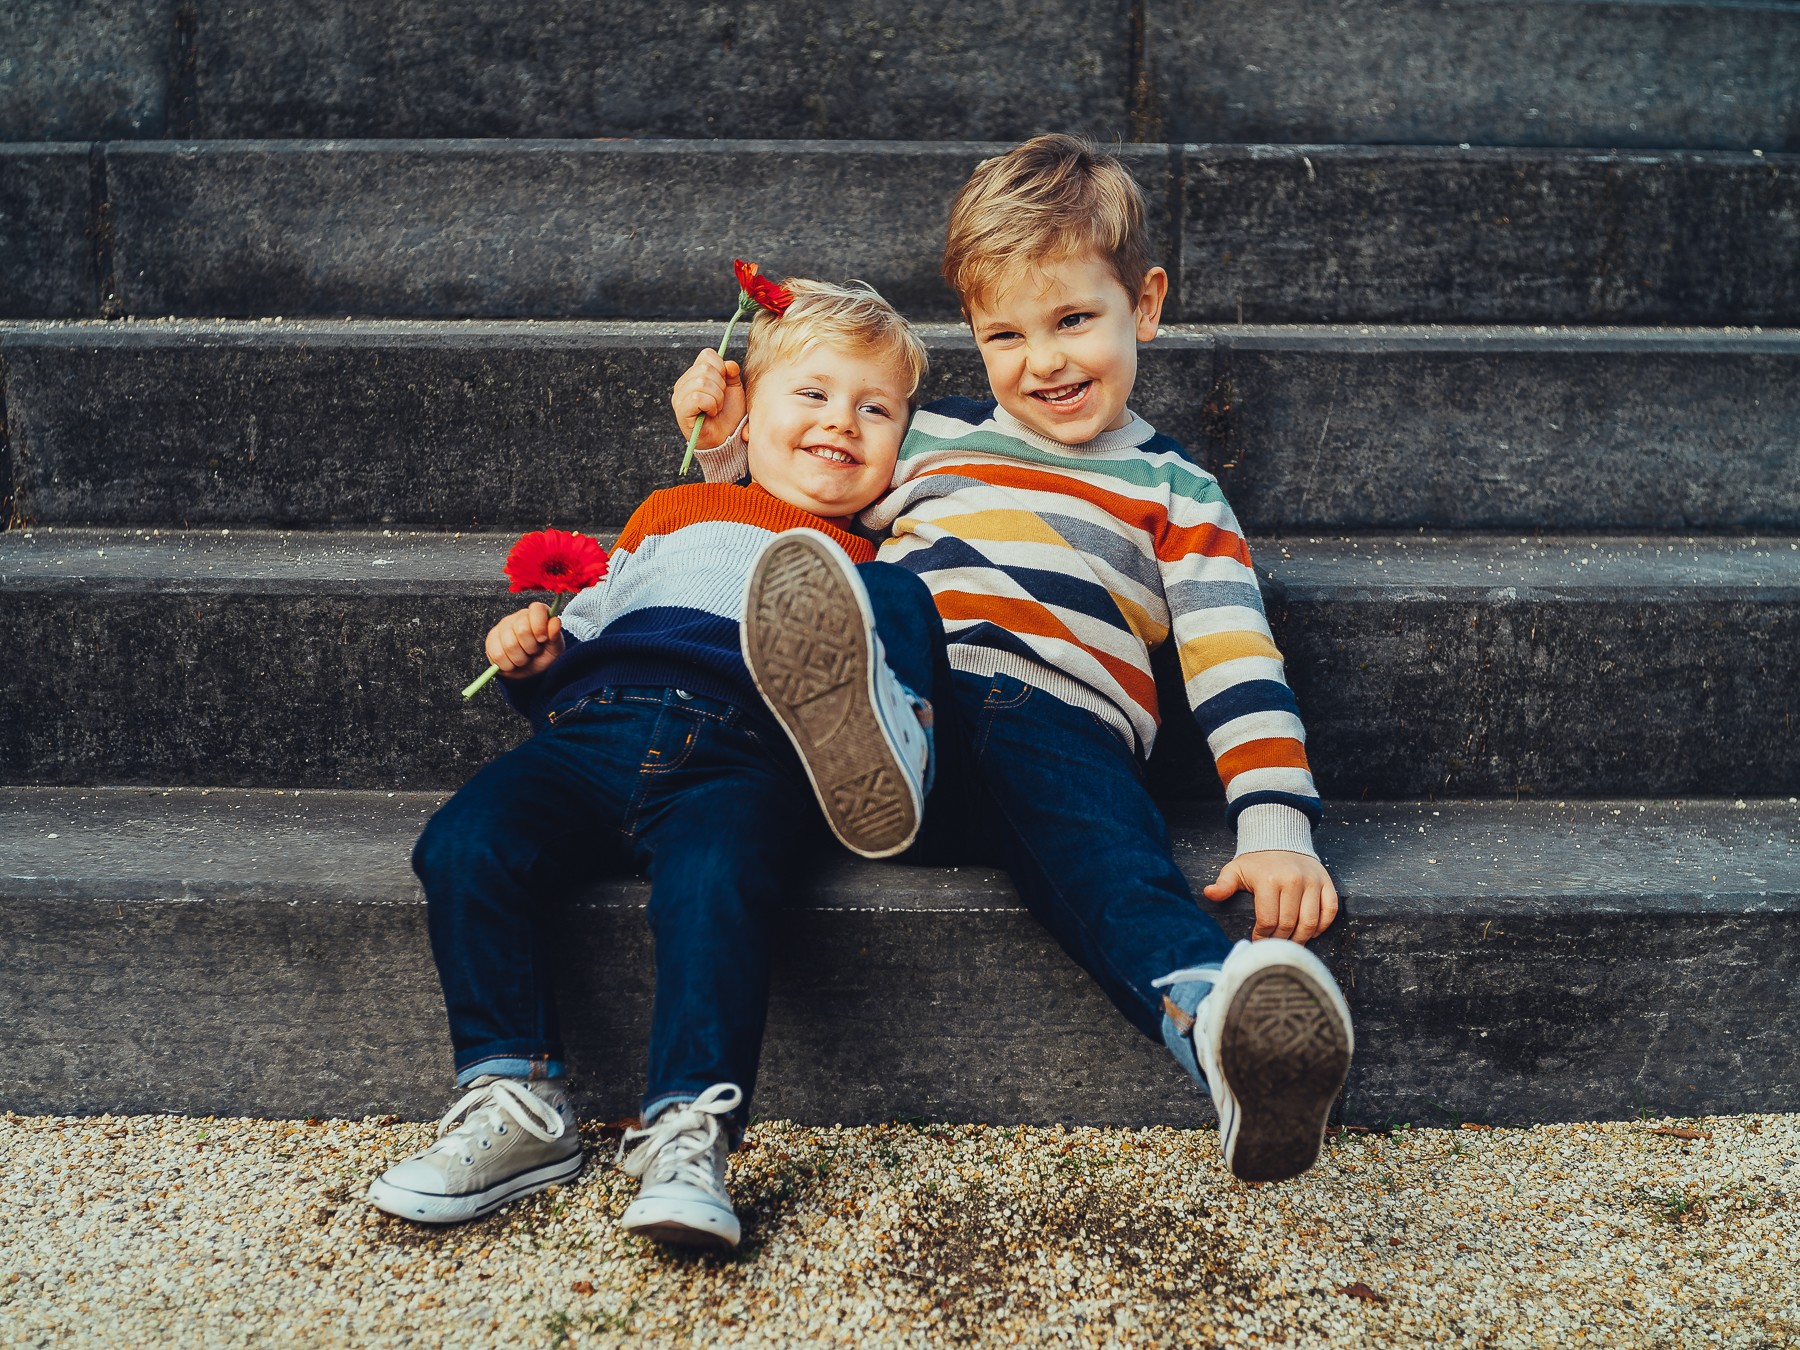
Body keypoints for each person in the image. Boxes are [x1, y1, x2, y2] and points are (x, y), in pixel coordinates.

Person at [675, 135, 1354, 1183]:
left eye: (1074, 320)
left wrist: (1275, 829)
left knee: (1106, 865)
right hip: (915, 690)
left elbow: (1234, 659)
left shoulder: (1178, 494)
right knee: (885, 592)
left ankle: (1222, 1027)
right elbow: (806, 503)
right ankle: (874, 734)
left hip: (1060, 728)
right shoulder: (927, 439)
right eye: (1006, 334)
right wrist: (728, 447)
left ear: (1149, 304)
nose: (1044, 361)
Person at [366, 279, 933, 1249]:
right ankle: (514, 1097)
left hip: (747, 748)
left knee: (716, 883)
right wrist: (536, 656)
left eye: (875, 410)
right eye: (814, 395)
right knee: (465, 843)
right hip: (593, 725)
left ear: (904, 445)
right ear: (745, 412)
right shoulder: (670, 510)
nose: (843, 422)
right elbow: (588, 629)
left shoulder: (875, 558)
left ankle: (688, 1130)